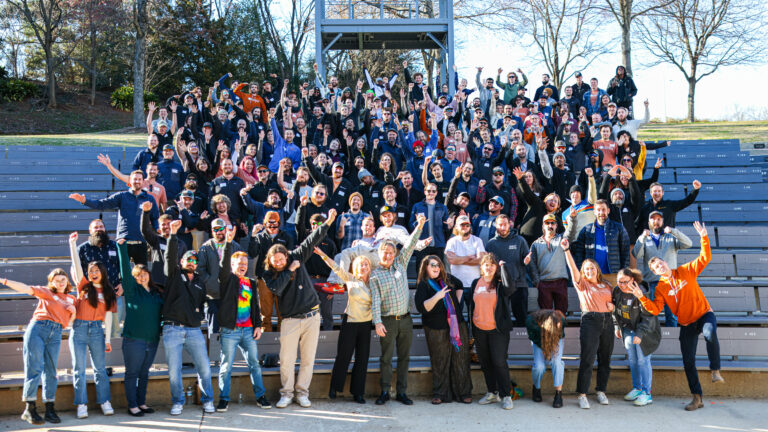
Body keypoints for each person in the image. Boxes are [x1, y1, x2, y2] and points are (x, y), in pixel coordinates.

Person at [628, 221, 724, 411]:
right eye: (655, 267)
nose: (659, 267)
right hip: (686, 323)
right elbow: (655, 309)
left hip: (704, 314)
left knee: (710, 332)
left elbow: (705, 257)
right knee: (688, 361)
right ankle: (697, 398)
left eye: (660, 263)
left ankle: (715, 370)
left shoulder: (685, 270)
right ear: (654, 272)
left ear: (666, 262)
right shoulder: (661, 288)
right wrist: (641, 298)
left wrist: (704, 237)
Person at [264, 209, 337, 409]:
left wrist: (328, 221)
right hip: (290, 320)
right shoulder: (270, 275)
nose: (279, 262)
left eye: (282, 259)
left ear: (286, 255)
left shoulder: (296, 255)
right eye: (275, 261)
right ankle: (286, 393)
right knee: (286, 360)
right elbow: (277, 289)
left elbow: (312, 239)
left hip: (312, 316)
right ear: (270, 261)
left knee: (308, 359)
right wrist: (289, 270)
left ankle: (302, 393)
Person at [370, 214, 426, 406]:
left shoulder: (401, 263)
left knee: (404, 357)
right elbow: (375, 300)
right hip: (387, 322)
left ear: (395, 254)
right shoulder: (375, 275)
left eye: (391, 252)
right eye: (384, 252)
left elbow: (410, 244)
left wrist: (419, 227)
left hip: (405, 320)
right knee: (386, 358)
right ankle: (385, 391)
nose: (388, 255)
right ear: (379, 254)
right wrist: (377, 322)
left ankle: (402, 392)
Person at [4, 271, 74, 425]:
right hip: (38, 329)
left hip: (56, 333)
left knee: (51, 370)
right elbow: (25, 288)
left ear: (67, 281)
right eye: (57, 280)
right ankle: (29, 408)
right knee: (34, 367)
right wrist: (4, 280)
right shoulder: (46, 292)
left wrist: (73, 312)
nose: (61, 283)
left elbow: (68, 322)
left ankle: (50, 409)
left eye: (63, 279)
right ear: (52, 282)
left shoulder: (71, 299)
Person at [162, 221, 216, 416]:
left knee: (204, 368)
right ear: (182, 262)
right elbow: (169, 257)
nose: (191, 262)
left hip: (194, 330)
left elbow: (202, 304)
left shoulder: (201, 283)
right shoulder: (174, 275)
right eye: (188, 259)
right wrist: (173, 235)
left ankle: (208, 399)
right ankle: (177, 401)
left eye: (194, 259)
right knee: (174, 371)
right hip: (173, 329)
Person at [216, 228, 272, 412]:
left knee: (254, 365)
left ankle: (260, 396)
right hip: (230, 331)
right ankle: (224, 399)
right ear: (232, 265)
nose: (242, 266)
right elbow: (223, 265)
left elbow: (255, 306)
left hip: (248, 330)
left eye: (245, 263)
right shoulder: (227, 279)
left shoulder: (251, 282)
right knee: (226, 366)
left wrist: (258, 325)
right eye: (239, 263)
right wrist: (228, 244)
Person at [68, 232, 117, 419]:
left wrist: (107, 339)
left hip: (97, 330)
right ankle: (81, 404)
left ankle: (105, 401)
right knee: (79, 369)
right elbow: (77, 266)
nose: (93, 273)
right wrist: (72, 245)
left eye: (96, 270)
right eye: (91, 271)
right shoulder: (84, 286)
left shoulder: (108, 291)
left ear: (102, 272)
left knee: (100, 369)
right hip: (79, 329)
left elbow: (108, 316)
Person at [562, 237, 615, 409]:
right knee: (588, 358)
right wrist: (566, 250)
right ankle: (582, 393)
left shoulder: (607, 285)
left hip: (608, 321)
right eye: (586, 269)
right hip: (590, 321)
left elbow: (616, 304)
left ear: (597, 270)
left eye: (592, 268)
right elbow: (572, 268)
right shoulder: (582, 284)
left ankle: (601, 390)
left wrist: (613, 306)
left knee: (605, 359)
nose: (590, 270)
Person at [314, 248, 373, 404]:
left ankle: (358, 393)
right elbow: (335, 267)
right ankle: (334, 387)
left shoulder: (374, 282)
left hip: (366, 324)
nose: (364, 267)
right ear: (355, 267)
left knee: (362, 359)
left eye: (366, 264)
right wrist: (322, 254)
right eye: (361, 264)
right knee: (343, 356)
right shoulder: (350, 278)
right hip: (350, 322)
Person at [69, 169, 160, 265]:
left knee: (142, 274)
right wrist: (84, 201)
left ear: (143, 181)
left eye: (139, 179)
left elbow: (154, 217)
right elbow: (102, 204)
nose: (137, 181)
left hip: (141, 242)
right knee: (122, 274)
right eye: (134, 179)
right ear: (130, 180)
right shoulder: (122, 196)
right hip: (124, 242)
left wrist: (157, 228)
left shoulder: (150, 198)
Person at [415, 256, 473, 405]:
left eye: (438, 265)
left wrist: (456, 307)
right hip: (436, 328)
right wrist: (437, 296)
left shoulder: (448, 279)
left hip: (457, 325)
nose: (436, 268)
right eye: (432, 265)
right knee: (440, 361)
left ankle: (463, 393)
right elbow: (422, 307)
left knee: (460, 359)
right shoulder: (423, 285)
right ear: (425, 267)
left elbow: (460, 285)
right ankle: (440, 393)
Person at [116, 239, 163, 417]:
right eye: (138, 274)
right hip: (134, 340)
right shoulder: (132, 291)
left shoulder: (157, 293)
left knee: (144, 373)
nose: (142, 276)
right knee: (132, 373)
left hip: (152, 340)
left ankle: (141, 402)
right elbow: (125, 271)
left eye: (145, 273)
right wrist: (122, 249)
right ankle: (132, 405)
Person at [466, 253, 516, 410]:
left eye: (492, 265)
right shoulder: (475, 282)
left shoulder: (500, 283)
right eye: (486, 264)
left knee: (499, 362)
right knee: (486, 363)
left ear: (496, 268)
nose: (489, 267)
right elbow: (471, 304)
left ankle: (506, 395)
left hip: (497, 330)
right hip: (480, 330)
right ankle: (492, 393)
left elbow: (511, 289)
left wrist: (503, 267)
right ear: (481, 267)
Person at [633, 211, 693, 327]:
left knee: (672, 315)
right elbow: (636, 254)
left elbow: (688, 243)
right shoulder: (644, 238)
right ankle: (652, 341)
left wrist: (674, 231)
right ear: (649, 222)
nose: (656, 221)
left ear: (663, 222)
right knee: (651, 315)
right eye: (653, 219)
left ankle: (672, 340)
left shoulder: (671, 237)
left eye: (659, 219)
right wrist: (641, 238)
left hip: (670, 282)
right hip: (652, 283)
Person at [612, 268, 661, 407]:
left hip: (644, 331)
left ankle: (647, 393)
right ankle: (637, 388)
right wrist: (617, 326)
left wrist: (640, 334)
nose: (621, 285)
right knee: (633, 360)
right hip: (628, 330)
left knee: (642, 360)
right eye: (619, 282)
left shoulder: (641, 292)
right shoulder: (617, 291)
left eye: (624, 282)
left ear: (632, 280)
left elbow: (648, 316)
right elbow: (614, 310)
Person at [567, 199, 631, 287]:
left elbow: (625, 252)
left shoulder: (618, 228)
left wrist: (623, 272)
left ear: (608, 211)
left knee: (612, 301)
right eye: (598, 210)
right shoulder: (586, 230)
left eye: (603, 209)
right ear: (594, 212)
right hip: (591, 276)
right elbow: (579, 254)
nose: (601, 212)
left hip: (612, 275)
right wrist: (581, 272)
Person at [248, 211, 294, 332]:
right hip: (264, 277)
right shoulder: (260, 236)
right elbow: (252, 254)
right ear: (265, 224)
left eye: (275, 225)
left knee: (282, 312)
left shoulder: (286, 237)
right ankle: (265, 340)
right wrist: (253, 235)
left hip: (281, 277)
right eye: (269, 225)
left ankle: (282, 339)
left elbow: (290, 257)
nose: (272, 228)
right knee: (265, 312)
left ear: (279, 223)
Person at [198, 218, 242, 335]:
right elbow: (200, 269)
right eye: (215, 229)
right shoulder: (205, 247)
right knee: (214, 329)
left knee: (231, 328)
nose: (218, 232)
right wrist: (209, 281)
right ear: (212, 231)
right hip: (213, 294)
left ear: (225, 229)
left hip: (230, 292)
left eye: (221, 229)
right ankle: (214, 352)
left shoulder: (235, 246)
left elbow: (241, 267)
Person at [485, 214, 530, 326]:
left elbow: (527, 259)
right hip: (499, 286)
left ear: (510, 224)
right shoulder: (491, 244)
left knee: (522, 319)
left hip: (518, 285)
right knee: (500, 318)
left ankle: (523, 342)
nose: (503, 227)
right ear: (496, 225)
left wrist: (527, 262)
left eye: (505, 224)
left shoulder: (520, 240)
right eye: (500, 224)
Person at [527, 214, 570, 314]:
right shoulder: (535, 244)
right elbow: (532, 265)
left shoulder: (562, 239)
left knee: (561, 315)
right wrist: (537, 282)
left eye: (552, 223)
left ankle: (561, 330)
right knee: (546, 316)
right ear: (543, 226)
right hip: (544, 283)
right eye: (547, 223)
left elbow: (571, 231)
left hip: (560, 282)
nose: (550, 225)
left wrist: (571, 218)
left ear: (556, 226)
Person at [526, 309, 566, 408]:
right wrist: (546, 348)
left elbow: (560, 334)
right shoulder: (531, 322)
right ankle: (536, 387)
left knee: (556, 362)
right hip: (539, 340)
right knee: (539, 367)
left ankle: (558, 393)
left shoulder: (561, 320)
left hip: (556, 338)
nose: (558, 326)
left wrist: (553, 336)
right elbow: (533, 338)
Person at [445, 215, 485, 292]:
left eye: (467, 225)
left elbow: (480, 260)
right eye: (462, 225)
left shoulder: (477, 240)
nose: (465, 227)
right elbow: (451, 260)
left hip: (474, 284)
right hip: (457, 285)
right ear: (456, 226)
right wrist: (468, 258)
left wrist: (459, 259)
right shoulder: (452, 241)